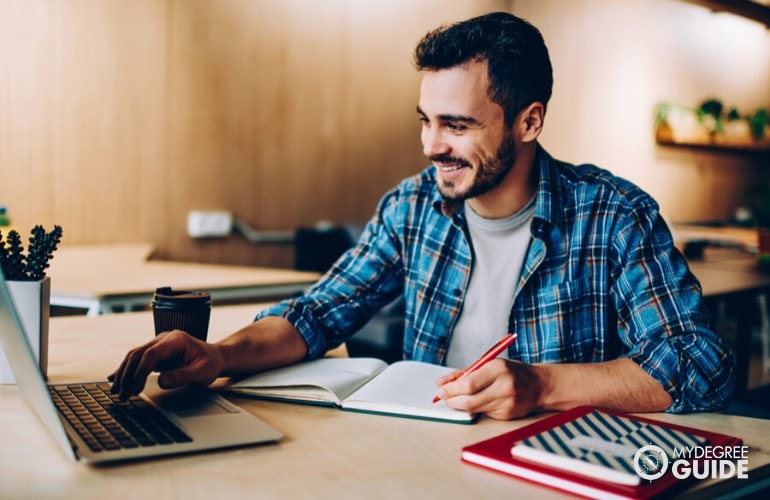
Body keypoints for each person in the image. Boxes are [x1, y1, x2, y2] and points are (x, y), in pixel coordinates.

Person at [110, 12, 734, 420]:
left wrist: (542, 385)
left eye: (457, 125)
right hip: (424, 462)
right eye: (426, 120)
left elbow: (699, 363)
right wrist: (218, 355)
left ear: (530, 121)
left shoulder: (614, 215)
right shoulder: (412, 206)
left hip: (555, 473)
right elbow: (316, 314)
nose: (432, 145)